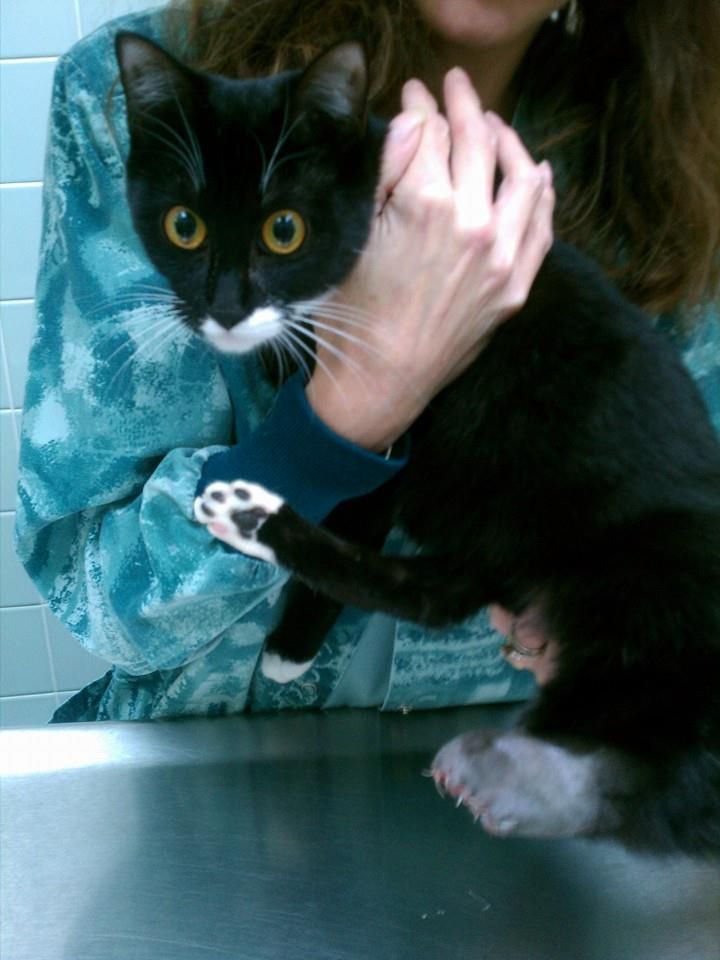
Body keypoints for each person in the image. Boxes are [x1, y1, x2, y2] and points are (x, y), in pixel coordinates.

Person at [15, 0, 720, 722]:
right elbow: (103, 603)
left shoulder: (681, 143)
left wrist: (601, 631)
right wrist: (347, 409)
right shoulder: (139, 85)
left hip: (503, 756)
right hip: (204, 762)